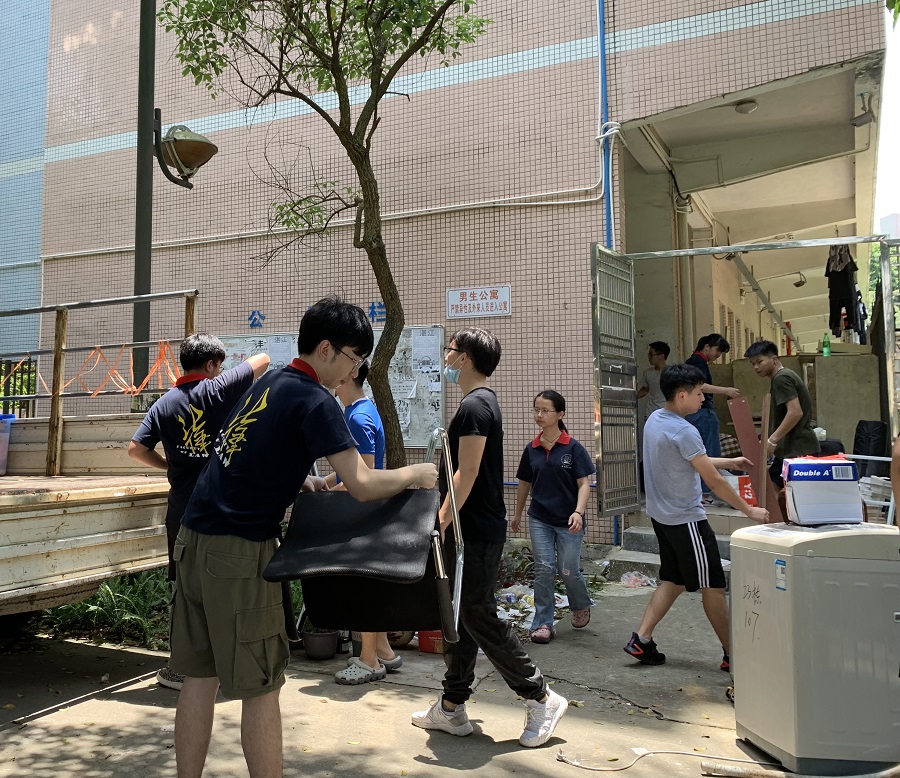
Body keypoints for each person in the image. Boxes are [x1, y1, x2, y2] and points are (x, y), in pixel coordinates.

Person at [170, 297, 437, 778]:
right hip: (239, 552)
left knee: (199, 677)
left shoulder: (269, 381)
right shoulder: (317, 400)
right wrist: (415, 473)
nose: (354, 371)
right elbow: (361, 483)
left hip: (192, 539)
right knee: (261, 687)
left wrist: (300, 480)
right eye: (354, 359)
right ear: (327, 348)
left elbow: (248, 454)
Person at [411, 329, 567, 749]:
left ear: (464, 357)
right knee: (460, 614)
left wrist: (441, 519)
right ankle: (451, 706)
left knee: (476, 614)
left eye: (450, 350)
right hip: (472, 528)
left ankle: (541, 697)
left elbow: (467, 472)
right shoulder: (478, 403)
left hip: (473, 530)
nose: (445, 357)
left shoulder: (476, 406)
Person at [128, 333, 270, 691]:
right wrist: (227, 375)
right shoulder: (217, 389)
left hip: (181, 513)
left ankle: (182, 670)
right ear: (210, 365)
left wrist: (168, 465)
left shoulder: (163, 404)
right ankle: (227, 667)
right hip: (221, 513)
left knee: (185, 592)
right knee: (226, 590)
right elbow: (263, 359)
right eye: (218, 366)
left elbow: (135, 449)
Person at [624, 364, 768, 672]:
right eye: (699, 393)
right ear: (682, 395)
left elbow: (687, 458)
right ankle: (733, 654)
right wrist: (749, 510)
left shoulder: (656, 419)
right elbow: (713, 481)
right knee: (712, 585)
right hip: (686, 520)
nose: (703, 398)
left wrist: (728, 460)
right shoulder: (685, 430)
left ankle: (641, 639)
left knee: (674, 579)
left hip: (662, 516)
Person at [324, 361, 401, 685]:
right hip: (370, 511)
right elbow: (353, 467)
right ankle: (383, 650)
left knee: (363, 586)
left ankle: (369, 660)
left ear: (352, 373)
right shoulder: (361, 410)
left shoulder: (356, 417)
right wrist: (327, 482)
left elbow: (364, 474)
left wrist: (328, 495)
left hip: (363, 511)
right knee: (370, 583)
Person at [511, 390, 595, 644]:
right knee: (544, 569)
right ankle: (543, 623)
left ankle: (580, 603)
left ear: (560, 414)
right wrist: (517, 514)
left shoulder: (573, 447)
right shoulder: (532, 449)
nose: (539, 415)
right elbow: (524, 484)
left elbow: (584, 484)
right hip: (540, 518)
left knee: (568, 570)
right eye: (536, 409)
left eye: (545, 410)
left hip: (569, 520)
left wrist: (578, 512)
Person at [744, 340, 820, 518]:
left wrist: (772, 440)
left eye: (760, 361)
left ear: (774, 359)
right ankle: (781, 523)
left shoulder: (782, 378)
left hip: (798, 448)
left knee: (793, 497)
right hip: (790, 448)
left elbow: (795, 412)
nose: (756, 367)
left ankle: (786, 525)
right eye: (753, 364)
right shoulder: (783, 377)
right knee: (774, 485)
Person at [684, 334, 741, 502]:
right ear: (706, 347)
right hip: (703, 414)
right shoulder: (697, 362)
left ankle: (704, 492)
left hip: (697, 414)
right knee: (709, 451)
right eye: (718, 350)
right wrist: (726, 390)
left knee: (700, 452)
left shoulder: (695, 362)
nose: (718, 355)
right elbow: (699, 385)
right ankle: (707, 492)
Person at [637, 341, 669, 420]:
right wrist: (631, 397)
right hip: (651, 413)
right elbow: (645, 390)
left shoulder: (671, 373)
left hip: (667, 413)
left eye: (651, 354)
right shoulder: (648, 372)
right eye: (648, 354)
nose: (649, 357)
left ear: (661, 356)